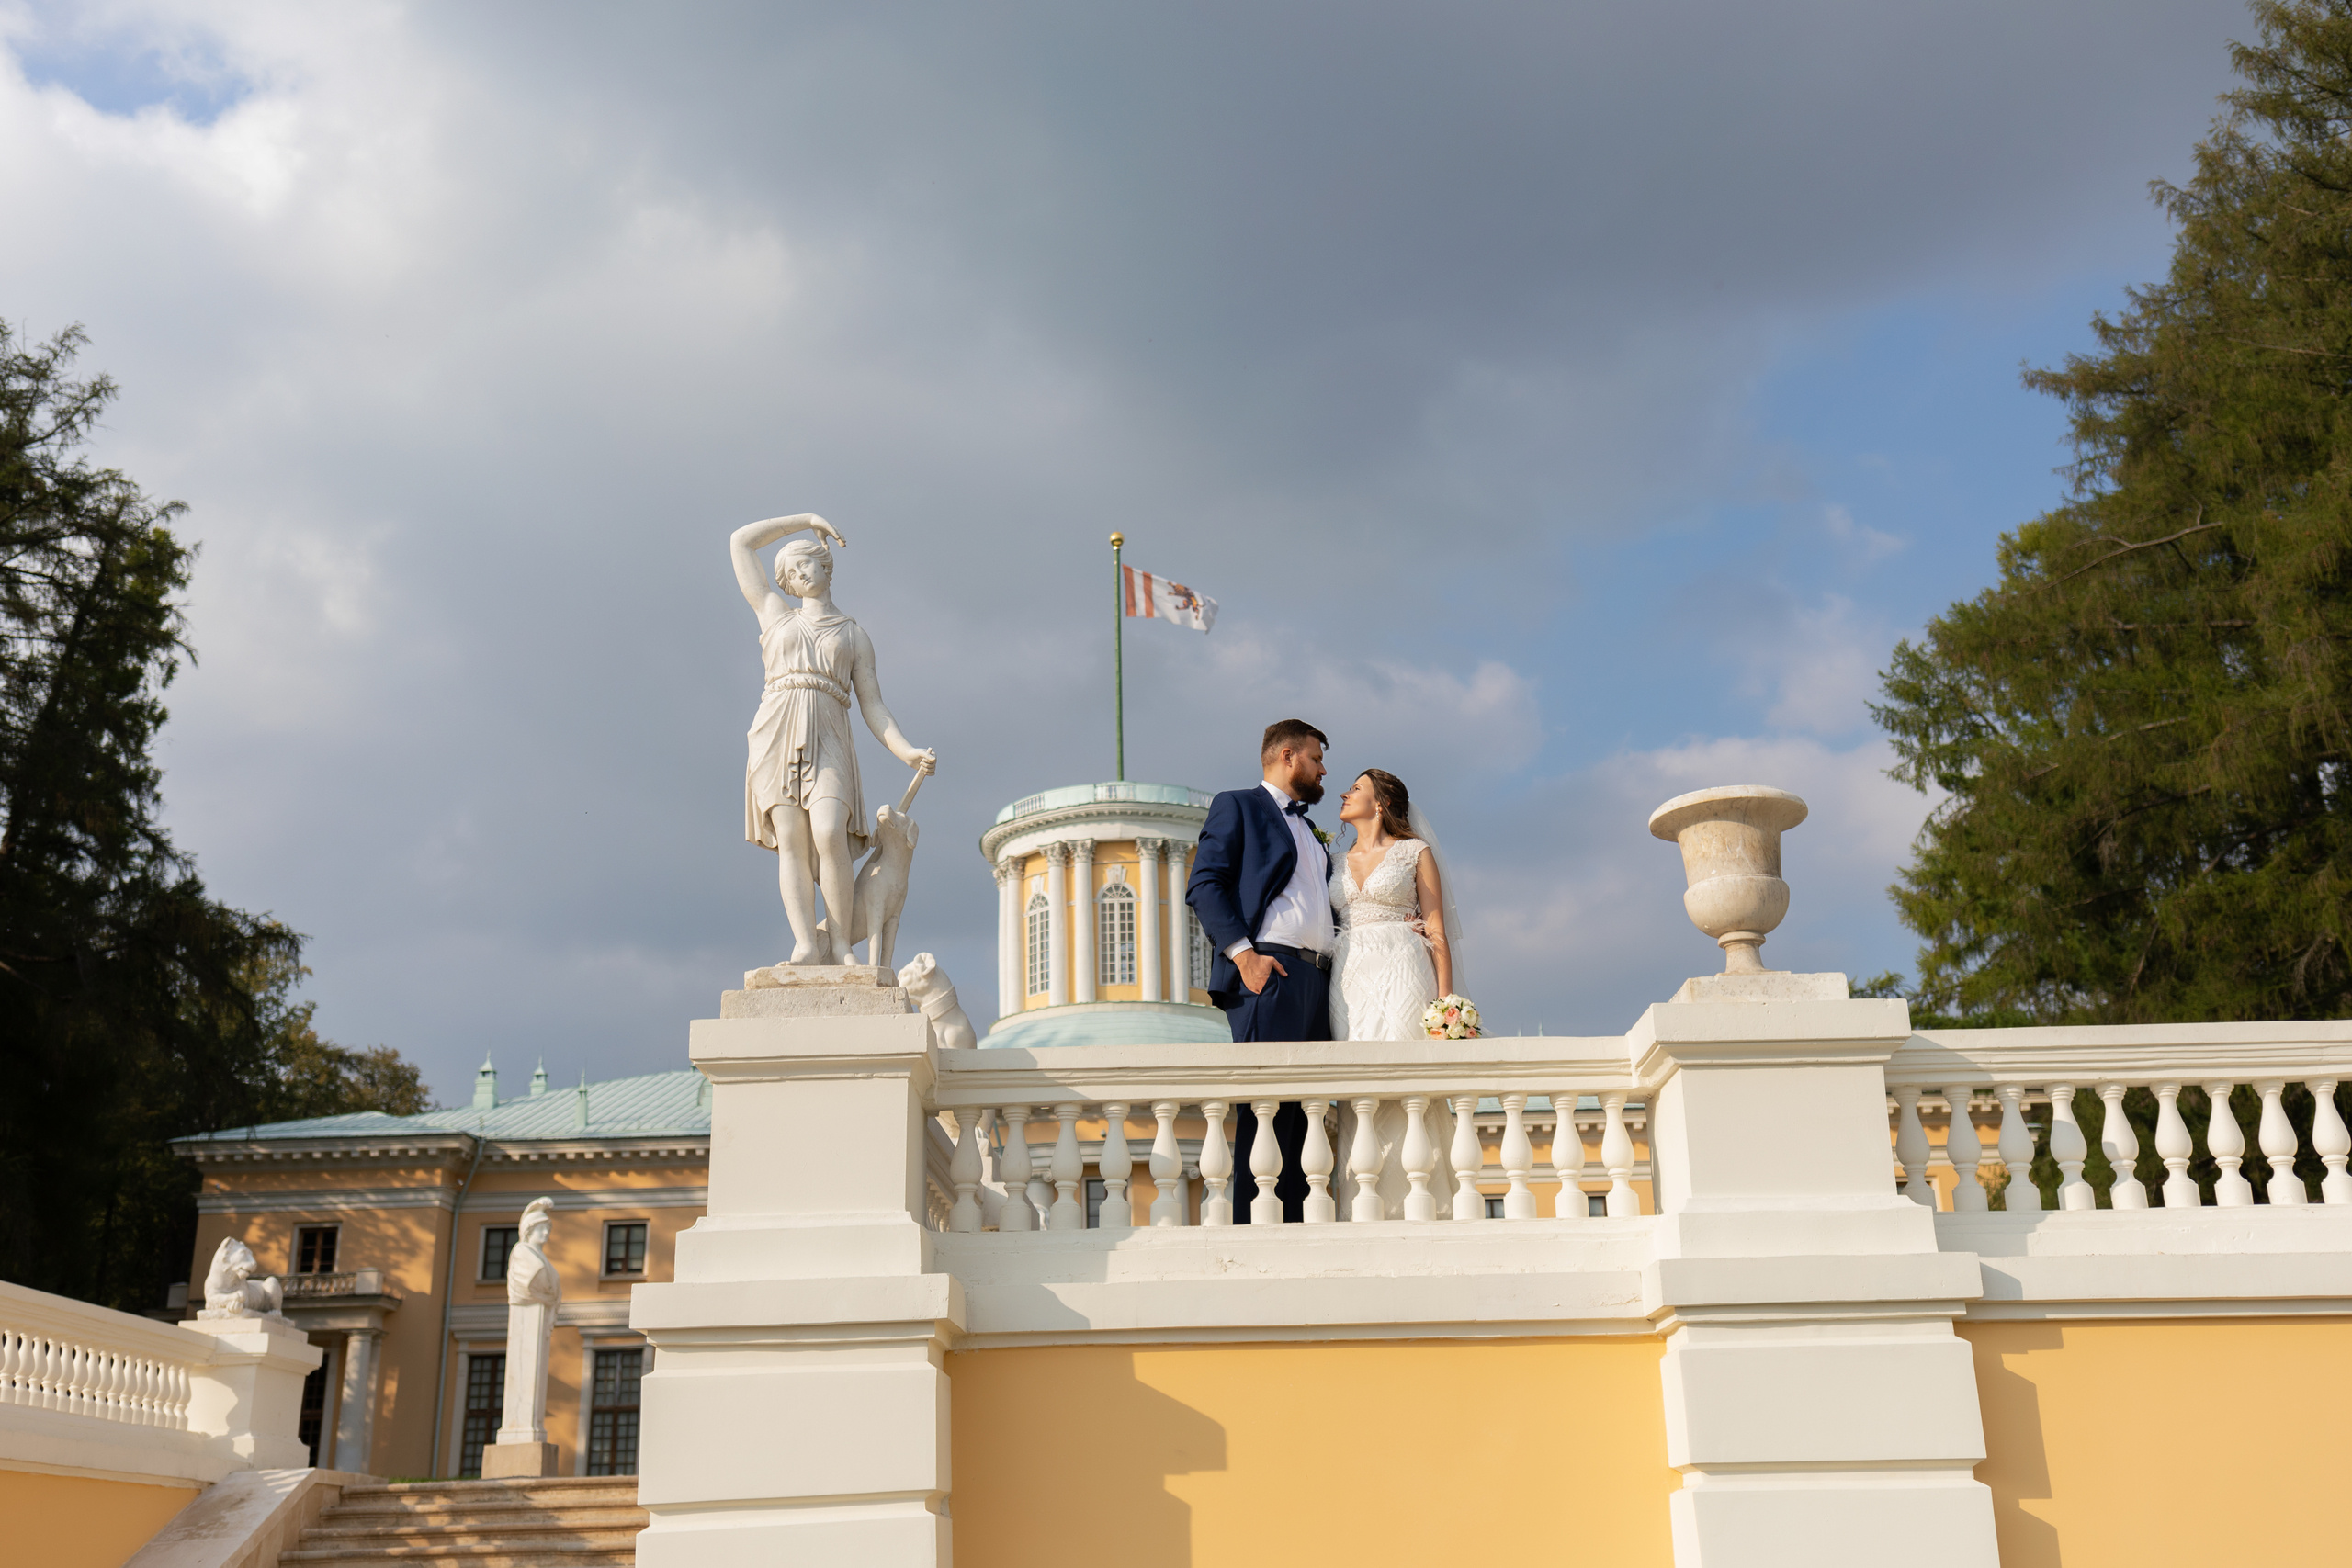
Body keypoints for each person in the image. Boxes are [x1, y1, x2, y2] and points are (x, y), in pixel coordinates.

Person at [730, 513, 934, 965]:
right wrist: (802, 519)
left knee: (828, 833)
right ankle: (806, 944)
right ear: (786, 584)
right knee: (793, 842)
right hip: (776, 730)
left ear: (826, 566)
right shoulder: (774, 615)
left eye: (807, 562)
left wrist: (906, 750)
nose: (801, 573)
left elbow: (873, 705)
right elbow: (741, 543)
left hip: (830, 734)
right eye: (791, 571)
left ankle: (841, 945)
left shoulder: (853, 635)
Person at [1185, 718, 1334, 1222]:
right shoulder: (1239, 804)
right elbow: (1205, 884)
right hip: (1271, 972)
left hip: (1320, 980)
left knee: (1308, 1112)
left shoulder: (1312, 831)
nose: (1323, 770)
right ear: (1287, 756)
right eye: (1316, 758)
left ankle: (1299, 1224)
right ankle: (1257, 1226)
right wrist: (1243, 956)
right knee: (1266, 1104)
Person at [1328, 767, 1469, 1217]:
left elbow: (1436, 929)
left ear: (1381, 802)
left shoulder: (1413, 852)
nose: (1345, 793)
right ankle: (1363, 1203)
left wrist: (1447, 1006)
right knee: (1359, 1086)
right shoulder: (1333, 857)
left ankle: (1422, 1201)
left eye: (1356, 788)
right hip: (1348, 976)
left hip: (1403, 966)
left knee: (1408, 1078)